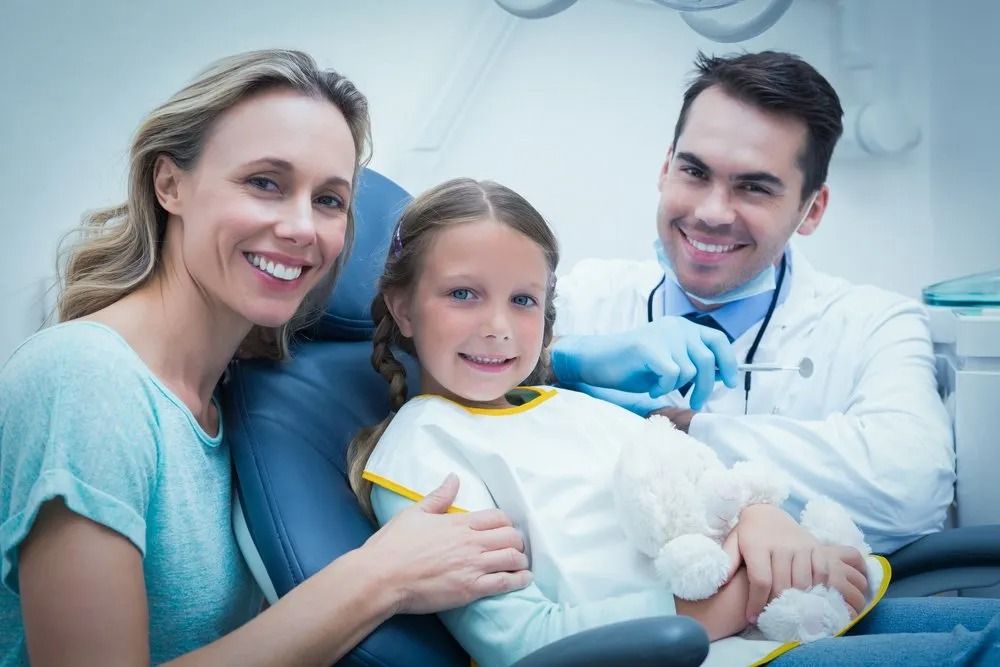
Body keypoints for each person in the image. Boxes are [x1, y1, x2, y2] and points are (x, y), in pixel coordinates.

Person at [0, 50, 532, 667]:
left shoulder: (242, 386)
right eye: (265, 183)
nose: (302, 227)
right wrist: (379, 577)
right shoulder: (87, 381)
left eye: (330, 200)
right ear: (169, 184)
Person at [346, 177, 1000, 667]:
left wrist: (760, 517)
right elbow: (522, 641)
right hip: (692, 648)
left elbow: (700, 488)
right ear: (402, 306)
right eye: (463, 293)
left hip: (771, 614)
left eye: (524, 300)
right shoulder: (423, 453)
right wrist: (726, 604)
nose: (496, 326)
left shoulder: (572, 408)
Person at [549, 51, 955, 568]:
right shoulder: (585, 298)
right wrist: (564, 360)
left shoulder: (876, 324)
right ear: (664, 168)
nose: (711, 213)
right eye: (694, 172)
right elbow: (449, 383)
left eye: (754, 187)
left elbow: (910, 486)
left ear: (812, 210)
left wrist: (678, 427)